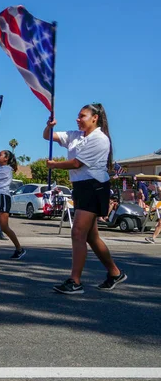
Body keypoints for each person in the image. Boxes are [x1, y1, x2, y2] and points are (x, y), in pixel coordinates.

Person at [44, 103, 126, 294]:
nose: (78, 119)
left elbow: (76, 163)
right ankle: (115, 273)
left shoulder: (100, 139)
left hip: (94, 187)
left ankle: (75, 281)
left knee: (78, 233)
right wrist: (50, 126)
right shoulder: (76, 135)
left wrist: (54, 165)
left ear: (94, 118)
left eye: (82, 116)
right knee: (91, 236)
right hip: (81, 187)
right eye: (78, 116)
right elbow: (48, 137)